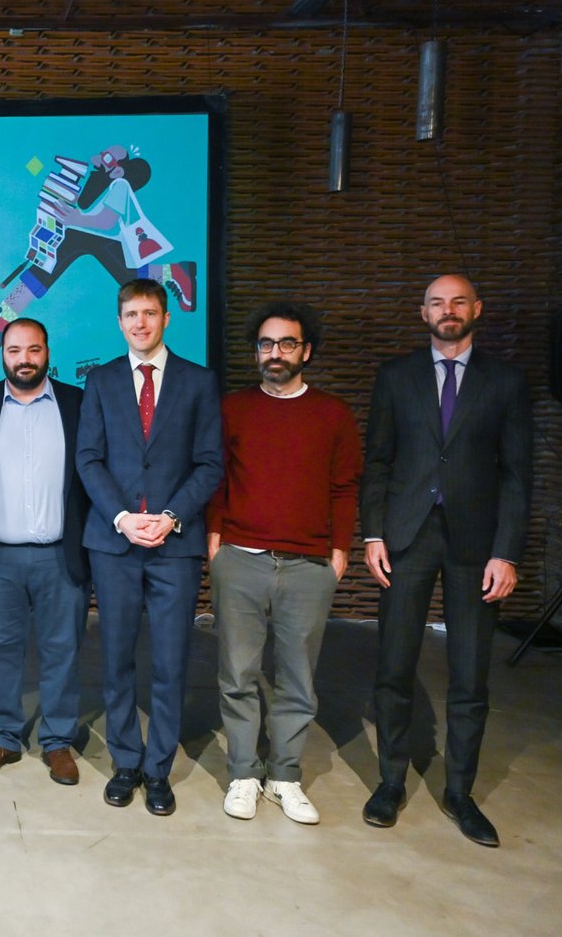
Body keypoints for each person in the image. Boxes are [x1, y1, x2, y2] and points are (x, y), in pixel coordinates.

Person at [360, 274, 531, 848]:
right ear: (424, 312)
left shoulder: (505, 381)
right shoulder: (395, 376)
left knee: (470, 674)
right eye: (437, 302)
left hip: (477, 546)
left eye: (458, 301)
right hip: (406, 538)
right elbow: (378, 460)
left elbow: (517, 474)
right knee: (394, 666)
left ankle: (460, 792)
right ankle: (390, 782)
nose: (447, 310)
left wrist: (506, 551)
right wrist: (373, 534)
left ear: (477, 308)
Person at [206, 301, 361, 824]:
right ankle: (244, 773)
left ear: (306, 351)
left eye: (287, 343)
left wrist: (339, 552)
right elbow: (217, 479)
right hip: (240, 558)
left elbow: (344, 487)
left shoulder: (332, 414)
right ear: (257, 352)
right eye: (266, 344)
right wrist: (215, 540)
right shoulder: (233, 409)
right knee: (238, 673)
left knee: (298, 678)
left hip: (308, 566)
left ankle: (285, 776)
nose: (275, 353)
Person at [76, 277, 222, 816]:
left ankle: (158, 768)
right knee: (115, 657)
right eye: (131, 314)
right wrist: (121, 517)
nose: (141, 323)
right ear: (119, 322)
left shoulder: (198, 381)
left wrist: (172, 516)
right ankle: (125, 761)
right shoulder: (100, 381)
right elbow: (88, 458)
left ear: (166, 318)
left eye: (150, 313)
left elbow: (210, 463)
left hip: (174, 545)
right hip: (114, 543)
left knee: (170, 660)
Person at [0, 318, 91, 785]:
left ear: (47, 352)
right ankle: (5, 736)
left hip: (61, 554)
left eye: (33, 350)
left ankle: (58, 740)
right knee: (0, 648)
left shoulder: (77, 404)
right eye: (14, 350)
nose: (24, 359)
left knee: (62, 649)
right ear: (2, 354)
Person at [0, 145, 197, 347]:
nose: (100, 159)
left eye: (107, 157)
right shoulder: (104, 185)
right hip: (108, 243)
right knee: (119, 270)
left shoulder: (120, 187)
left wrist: (74, 220)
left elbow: (105, 222)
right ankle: (176, 272)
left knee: (71, 246)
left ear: (120, 168)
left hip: (120, 241)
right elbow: (84, 208)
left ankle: (4, 316)